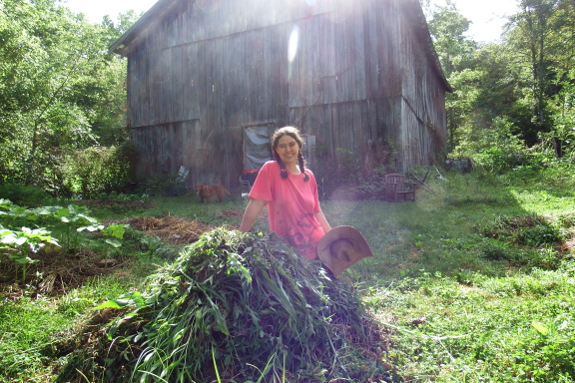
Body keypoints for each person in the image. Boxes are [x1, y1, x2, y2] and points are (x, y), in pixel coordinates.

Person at [239, 126, 331, 259]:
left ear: (299, 146)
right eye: (282, 146)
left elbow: (316, 211)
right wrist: (240, 236)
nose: (288, 150)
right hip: (286, 250)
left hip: (316, 247)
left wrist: (332, 236)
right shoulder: (270, 169)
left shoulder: (309, 175)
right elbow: (256, 204)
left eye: (292, 144)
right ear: (276, 150)